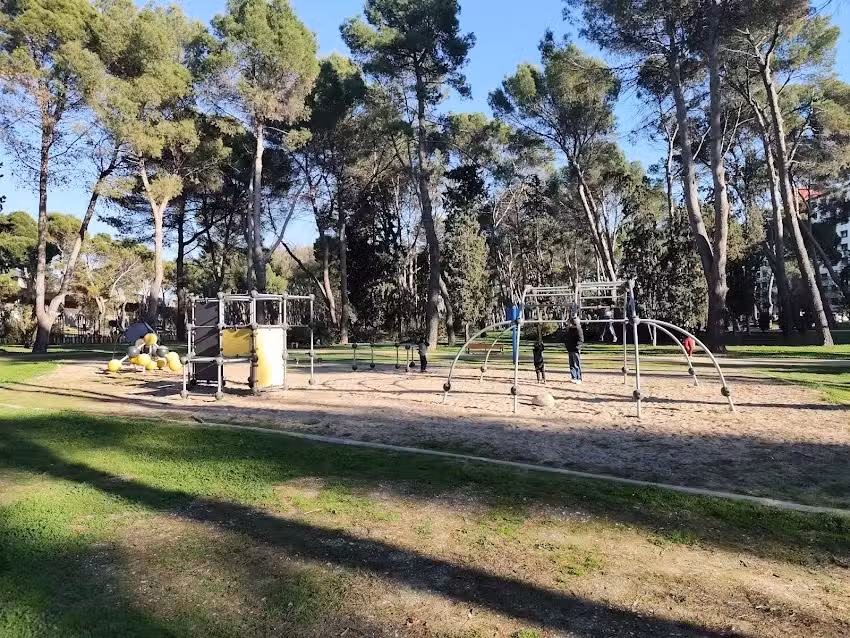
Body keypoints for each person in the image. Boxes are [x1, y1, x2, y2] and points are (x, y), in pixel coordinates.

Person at [565, 316, 584, 384]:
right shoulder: (569, 330)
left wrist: (577, 347)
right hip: (570, 349)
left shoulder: (578, 329)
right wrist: (567, 345)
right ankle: (574, 377)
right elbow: (567, 339)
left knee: (576, 364)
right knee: (571, 364)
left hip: (575, 349)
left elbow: (581, 340)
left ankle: (579, 378)